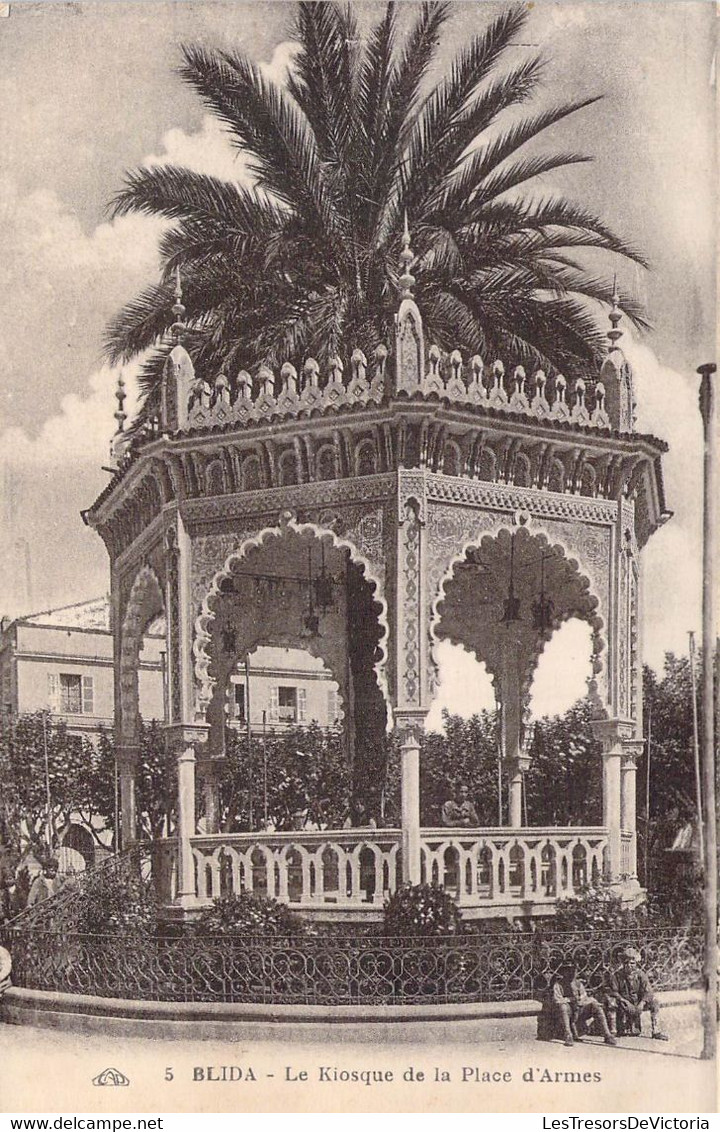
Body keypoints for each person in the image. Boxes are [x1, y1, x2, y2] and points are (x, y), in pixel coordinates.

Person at [604, 946, 669, 1040]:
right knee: (611, 1001)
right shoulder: (617, 975)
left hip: (637, 1002)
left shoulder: (641, 975)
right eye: (626, 963)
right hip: (623, 1003)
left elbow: (649, 991)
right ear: (623, 963)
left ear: (636, 964)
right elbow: (613, 991)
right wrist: (624, 1001)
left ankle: (656, 1031)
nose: (629, 965)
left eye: (632, 963)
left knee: (654, 1002)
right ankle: (612, 1032)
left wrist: (642, 1003)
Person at [547, 964, 617, 1046]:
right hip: (567, 1012)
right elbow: (557, 1000)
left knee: (596, 1006)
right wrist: (571, 1000)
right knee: (563, 1007)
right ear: (564, 972)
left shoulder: (578, 984)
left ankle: (607, 1034)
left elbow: (584, 997)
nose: (572, 973)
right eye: (569, 970)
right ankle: (568, 1034)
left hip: (579, 1010)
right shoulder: (558, 985)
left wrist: (585, 1001)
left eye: (574, 970)